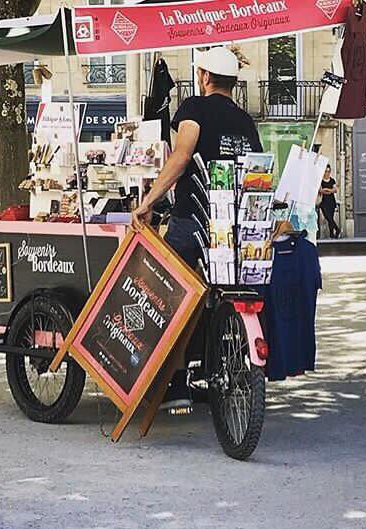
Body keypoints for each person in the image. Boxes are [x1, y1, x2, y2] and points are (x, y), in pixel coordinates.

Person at [131, 46, 262, 410]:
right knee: (219, 295)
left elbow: (181, 156)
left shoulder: (193, 108)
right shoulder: (245, 121)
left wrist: (148, 201)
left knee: (169, 296)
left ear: (204, 77)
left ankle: (175, 382)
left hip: (193, 222)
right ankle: (217, 364)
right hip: (235, 227)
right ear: (232, 82)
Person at [318, 165, 340, 239]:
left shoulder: (332, 180)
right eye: (326, 171)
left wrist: (327, 190)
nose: (327, 173)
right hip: (323, 202)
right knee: (328, 217)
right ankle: (337, 229)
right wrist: (330, 190)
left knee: (331, 217)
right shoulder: (320, 180)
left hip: (331, 201)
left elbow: (336, 190)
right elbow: (321, 190)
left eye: (328, 171)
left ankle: (332, 234)